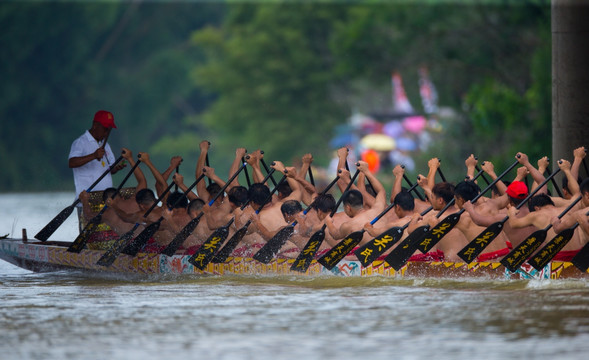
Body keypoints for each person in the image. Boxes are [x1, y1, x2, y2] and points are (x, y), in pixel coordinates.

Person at [68, 110, 125, 198]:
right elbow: (72, 163)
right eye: (105, 129)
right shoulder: (80, 142)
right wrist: (93, 156)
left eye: (109, 130)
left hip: (106, 200)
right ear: (95, 125)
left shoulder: (106, 146)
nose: (107, 133)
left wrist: (116, 168)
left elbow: (110, 170)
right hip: (86, 200)